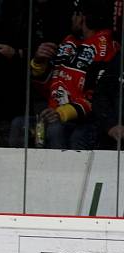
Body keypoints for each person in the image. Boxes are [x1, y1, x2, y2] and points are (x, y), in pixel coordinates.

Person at [10, 0, 119, 149]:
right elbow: (48, 86)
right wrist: (39, 62)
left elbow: (97, 97)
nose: (71, 19)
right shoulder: (69, 41)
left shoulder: (106, 48)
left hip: (84, 120)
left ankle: (57, 173)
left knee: (55, 130)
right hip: (55, 113)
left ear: (82, 17)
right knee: (19, 124)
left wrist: (61, 113)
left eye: (74, 15)